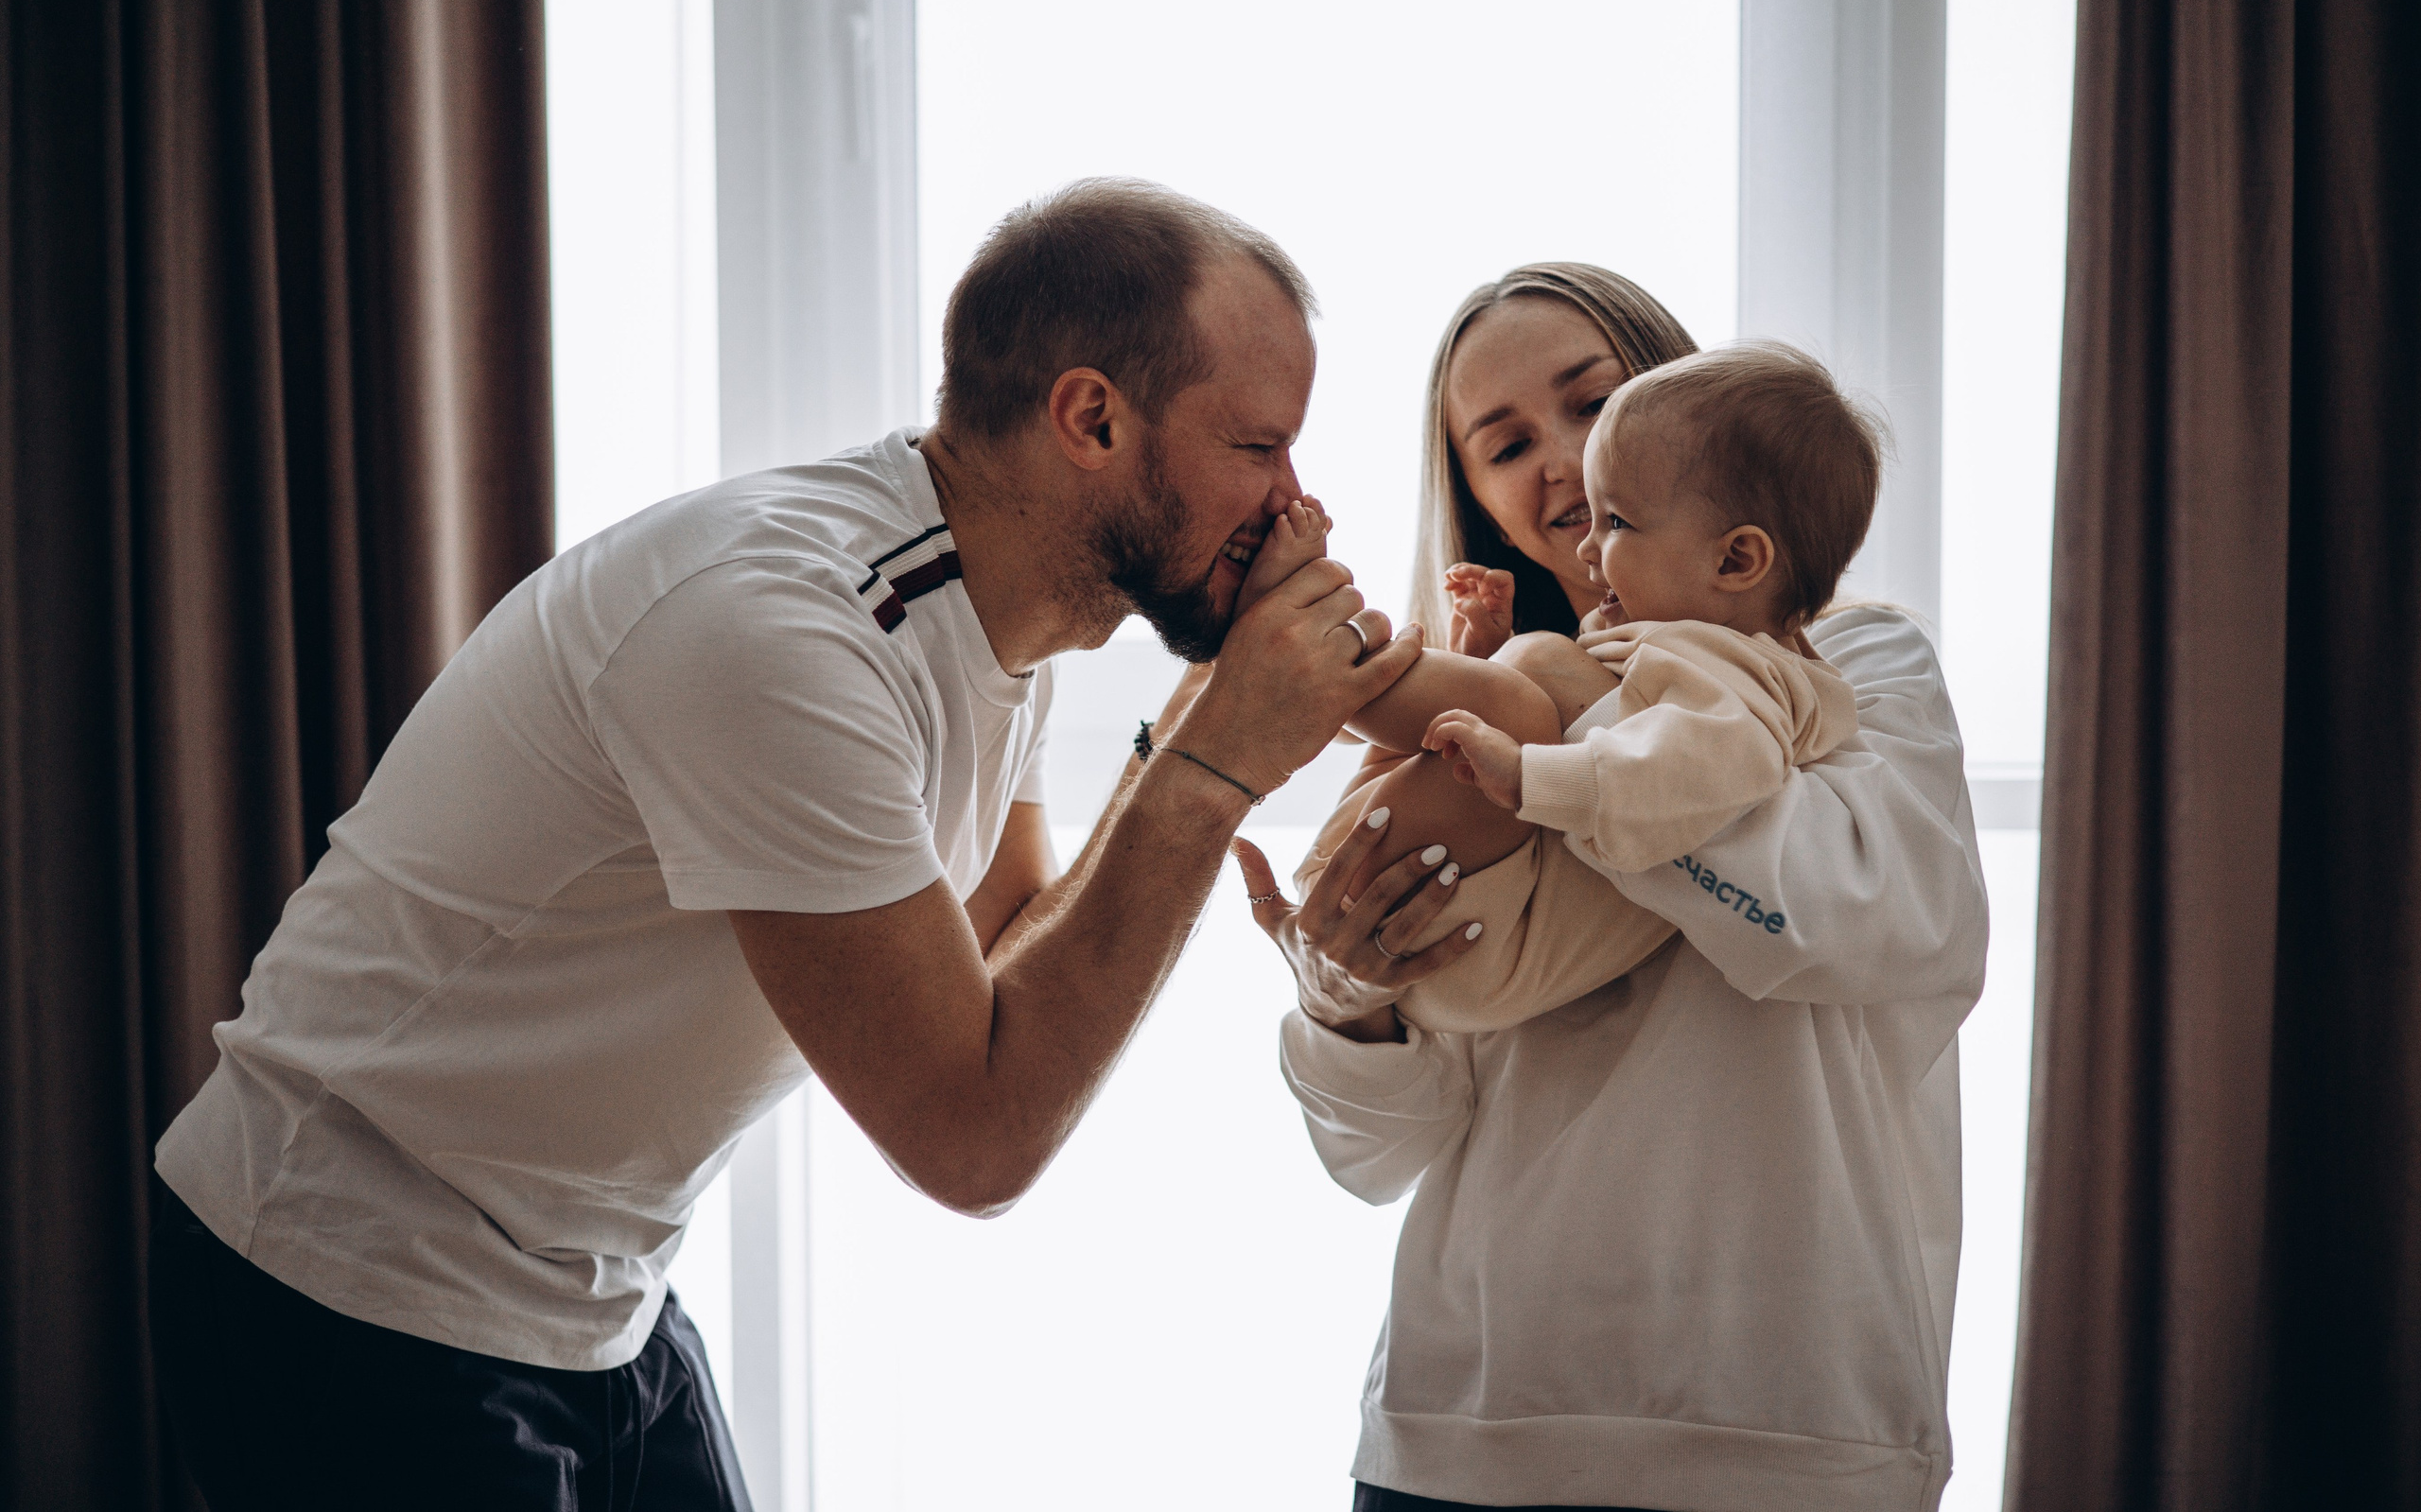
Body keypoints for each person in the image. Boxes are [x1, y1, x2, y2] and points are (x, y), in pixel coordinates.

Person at [145, 179, 1428, 1511]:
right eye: (1262, 446)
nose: (1297, 506)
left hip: (598, 1282)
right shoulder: (783, 633)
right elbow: (972, 1136)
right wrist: (1213, 766)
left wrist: (1187, 747)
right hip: (342, 1277)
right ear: (1092, 416)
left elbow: (1004, 959)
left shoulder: (1005, 622)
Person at [1232, 264, 1989, 1512]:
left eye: (1594, 401)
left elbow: (1870, 919)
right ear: (1476, 496)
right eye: (1506, 441)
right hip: (1467, 1426)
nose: (1568, 460)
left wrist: (1567, 763)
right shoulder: (1473, 731)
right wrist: (1347, 997)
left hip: (1786, 1430)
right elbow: (1378, 1155)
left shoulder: (1844, 666)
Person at [1255, 341, 1873, 1031]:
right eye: (1509, 445)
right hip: (1411, 916)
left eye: (1618, 521)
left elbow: (1693, 772)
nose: (1586, 533)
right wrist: (1490, 656)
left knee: (1529, 680)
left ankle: (1312, 652)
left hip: (1485, 945)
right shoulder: (1686, 647)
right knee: (1525, 675)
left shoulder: (1755, 679)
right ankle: (1322, 668)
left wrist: (1527, 774)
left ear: (1734, 557)